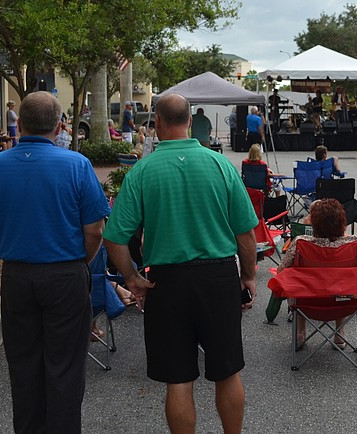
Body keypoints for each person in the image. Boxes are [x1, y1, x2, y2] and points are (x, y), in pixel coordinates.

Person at [103, 93, 258, 434]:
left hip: (166, 282)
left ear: (156, 123)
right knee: (228, 371)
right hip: (217, 278)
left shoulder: (142, 170)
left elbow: (114, 237)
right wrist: (248, 277)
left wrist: (131, 278)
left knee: (178, 380)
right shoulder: (221, 166)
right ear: (190, 121)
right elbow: (246, 235)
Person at [0, 91, 110, 433]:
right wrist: (82, 260)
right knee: (64, 368)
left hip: (17, 275)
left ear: (19, 124)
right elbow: (95, 229)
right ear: (60, 125)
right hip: (65, 272)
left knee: (24, 367)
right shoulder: (76, 164)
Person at [277, 198, 357, 350]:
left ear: (314, 223)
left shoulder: (300, 243)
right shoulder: (354, 244)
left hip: (307, 304)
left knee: (297, 285)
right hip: (343, 304)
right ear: (342, 222)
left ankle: (301, 331)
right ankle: (339, 332)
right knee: (341, 287)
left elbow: (281, 272)